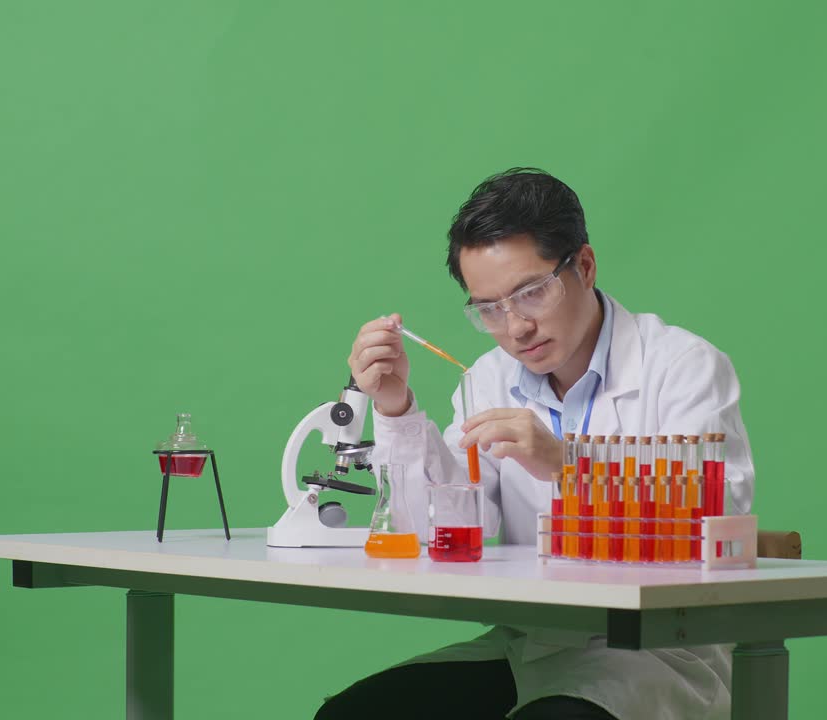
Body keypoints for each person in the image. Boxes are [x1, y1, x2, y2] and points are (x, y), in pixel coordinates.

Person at [320, 168, 755, 720]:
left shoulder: (683, 367)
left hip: (657, 654)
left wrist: (566, 465)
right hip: (530, 645)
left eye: (531, 293)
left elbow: (714, 520)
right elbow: (438, 532)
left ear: (585, 266)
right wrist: (396, 408)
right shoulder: (487, 378)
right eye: (489, 309)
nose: (515, 327)